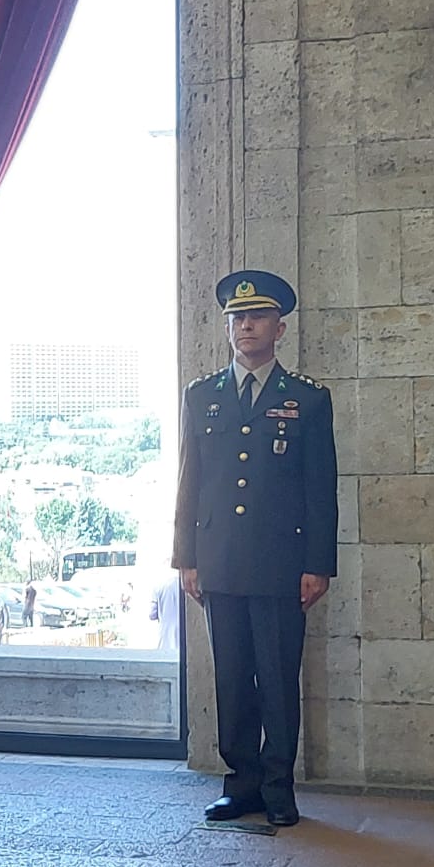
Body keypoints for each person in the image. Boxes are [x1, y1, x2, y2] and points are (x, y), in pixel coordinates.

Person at [174, 269, 337, 828]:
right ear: (227, 328)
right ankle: (240, 783)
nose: (246, 327)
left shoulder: (307, 399)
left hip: (280, 563)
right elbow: (190, 482)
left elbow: (321, 487)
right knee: (232, 678)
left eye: (258, 317)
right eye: (238, 318)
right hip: (218, 560)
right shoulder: (202, 396)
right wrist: (186, 557)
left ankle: (277, 786)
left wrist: (318, 564)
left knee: (277, 679)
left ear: (279, 328)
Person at [148, 573, 181, 653]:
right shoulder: (185, 585)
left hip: (165, 636)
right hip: (182, 635)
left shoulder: (159, 587)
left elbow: (152, 615)